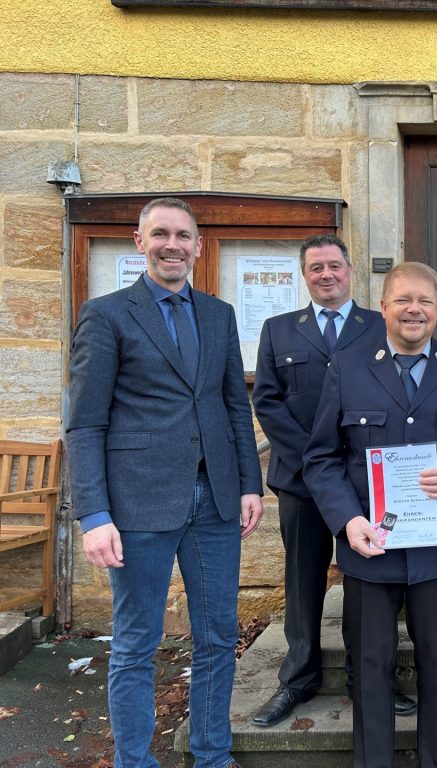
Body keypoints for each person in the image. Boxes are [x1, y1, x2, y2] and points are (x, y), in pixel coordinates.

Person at [66, 197, 264, 768]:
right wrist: (94, 514)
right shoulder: (106, 315)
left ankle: (212, 754)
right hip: (138, 505)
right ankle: (135, 760)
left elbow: (233, 406)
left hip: (216, 505)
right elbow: (86, 420)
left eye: (183, 235)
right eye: (160, 234)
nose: (172, 244)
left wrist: (250, 484)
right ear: (139, 242)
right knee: (135, 645)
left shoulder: (218, 315)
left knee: (217, 640)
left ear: (198, 246)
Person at [303, 262, 437, 768]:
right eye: (403, 300)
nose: (414, 310)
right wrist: (348, 521)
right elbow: (321, 459)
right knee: (371, 666)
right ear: (384, 307)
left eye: (425, 302)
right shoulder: (347, 367)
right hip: (370, 545)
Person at [251, 234, 416, 727]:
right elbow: (268, 402)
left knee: (368, 587)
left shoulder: (379, 325)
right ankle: (298, 680)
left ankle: (368, 680)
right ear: (305, 275)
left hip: (367, 487)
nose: (326, 275)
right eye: (316, 268)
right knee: (303, 581)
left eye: (334, 266)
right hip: (303, 481)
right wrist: (315, 461)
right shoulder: (279, 330)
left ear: (350, 270)